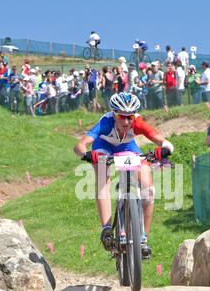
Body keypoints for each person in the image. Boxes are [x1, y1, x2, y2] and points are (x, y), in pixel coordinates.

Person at [73, 92, 174, 257]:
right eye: (121, 116)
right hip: (103, 146)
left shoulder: (138, 122)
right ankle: (106, 229)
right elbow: (80, 145)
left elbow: (163, 141)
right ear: (114, 114)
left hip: (127, 148)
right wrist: (86, 154)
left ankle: (143, 239)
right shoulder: (105, 123)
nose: (126, 121)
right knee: (102, 177)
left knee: (148, 191)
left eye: (130, 116)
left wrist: (163, 149)